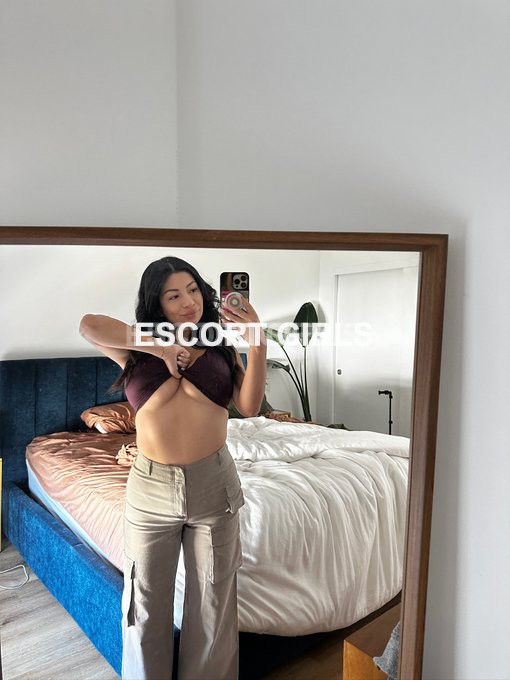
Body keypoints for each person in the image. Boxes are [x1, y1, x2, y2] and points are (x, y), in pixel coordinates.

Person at [79, 256, 266, 680]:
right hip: (151, 488)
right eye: (174, 295)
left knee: (214, 603)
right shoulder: (134, 349)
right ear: (156, 303)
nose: (189, 302)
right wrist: (160, 347)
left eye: (194, 290)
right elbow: (89, 325)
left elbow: (250, 406)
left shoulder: (221, 346)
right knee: (144, 604)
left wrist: (257, 343)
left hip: (213, 484)